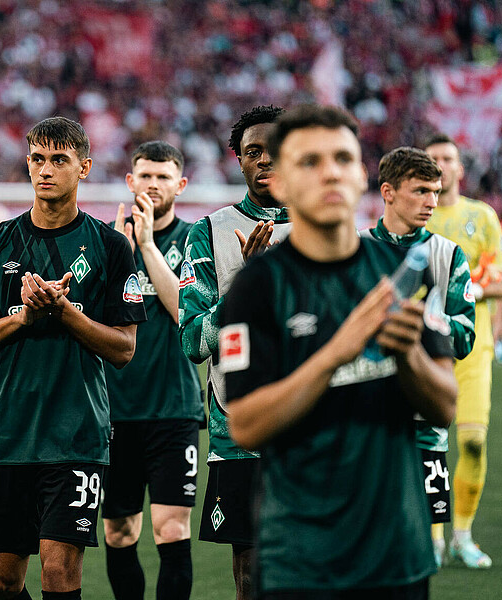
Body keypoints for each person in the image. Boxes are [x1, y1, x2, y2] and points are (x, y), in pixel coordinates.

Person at [220, 104, 456, 598]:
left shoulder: (402, 271)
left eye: (343, 159)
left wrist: (408, 353)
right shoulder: (257, 286)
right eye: (310, 161)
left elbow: (444, 406)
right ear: (281, 182)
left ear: (361, 177)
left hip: (398, 553)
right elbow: (245, 424)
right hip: (302, 558)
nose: (330, 172)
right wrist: (336, 353)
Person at [0, 116, 146, 600]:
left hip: (77, 437)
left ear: (84, 168)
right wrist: (21, 318)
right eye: (38, 159)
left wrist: (65, 313)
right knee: (1, 580)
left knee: (58, 575)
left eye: (60, 160)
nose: (46, 170)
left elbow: (124, 347)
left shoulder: (112, 247)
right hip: (8, 436)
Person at [178, 104, 289, 599]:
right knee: (250, 573)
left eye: (275, 150)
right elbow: (193, 342)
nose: (264, 160)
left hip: (315, 426)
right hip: (237, 426)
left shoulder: (331, 231)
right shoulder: (208, 233)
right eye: (252, 152)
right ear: (238, 161)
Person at [360, 146, 476, 568]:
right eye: (421, 191)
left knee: (417, 555)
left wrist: (424, 323)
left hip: (425, 426)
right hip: (363, 423)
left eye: (436, 191)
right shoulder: (355, 252)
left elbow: (465, 335)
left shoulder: (448, 256)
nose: (432, 201)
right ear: (388, 192)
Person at [103, 141, 203, 600]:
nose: (153, 185)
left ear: (180, 185)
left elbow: (184, 310)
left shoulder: (192, 241)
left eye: (163, 177)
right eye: (145, 175)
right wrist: (122, 254)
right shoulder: (105, 242)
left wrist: (145, 246)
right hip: (113, 410)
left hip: (173, 409)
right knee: (120, 532)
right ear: (130, 181)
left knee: (170, 528)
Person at [424, 133, 502, 568]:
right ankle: (435, 538)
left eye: (448, 158)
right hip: (426, 350)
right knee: (430, 447)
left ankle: (463, 534)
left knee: (473, 443)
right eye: (433, 158)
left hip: (472, 349)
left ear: (459, 168)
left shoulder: (483, 216)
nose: (441, 165)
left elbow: (501, 281)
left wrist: (467, 287)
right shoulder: (415, 218)